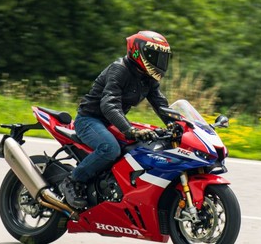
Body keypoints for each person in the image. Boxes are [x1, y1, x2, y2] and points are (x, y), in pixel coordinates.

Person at [60, 30, 175, 209]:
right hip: (88, 120)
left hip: (109, 122)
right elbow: (109, 104)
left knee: (142, 147)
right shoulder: (120, 69)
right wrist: (129, 129)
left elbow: (161, 104)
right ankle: (72, 180)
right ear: (139, 52)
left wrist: (178, 125)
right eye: (155, 55)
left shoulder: (147, 78)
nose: (160, 61)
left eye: (162, 57)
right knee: (110, 148)